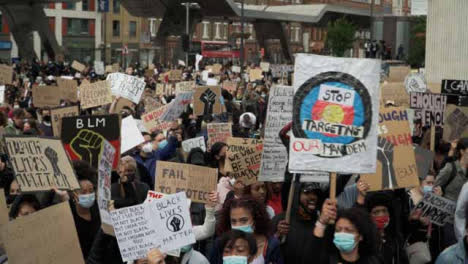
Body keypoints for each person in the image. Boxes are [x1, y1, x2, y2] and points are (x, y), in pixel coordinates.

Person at [303, 200, 382, 264]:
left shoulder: (371, 261)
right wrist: (322, 222)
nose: (342, 233)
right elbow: (311, 255)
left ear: (360, 236)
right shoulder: (327, 259)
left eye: (349, 230)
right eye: (338, 230)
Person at [212, 197, 283, 264]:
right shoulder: (220, 243)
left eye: (243, 220)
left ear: (256, 220)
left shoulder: (271, 245)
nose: (238, 225)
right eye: (233, 221)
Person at [54, 160, 101, 259]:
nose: (88, 194)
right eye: (83, 192)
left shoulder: (99, 209)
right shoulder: (67, 212)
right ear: (74, 194)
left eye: (91, 191)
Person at [273, 183, 324, 264]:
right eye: (307, 193)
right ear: (297, 195)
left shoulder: (321, 223)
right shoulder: (282, 220)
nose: (313, 197)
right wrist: (277, 235)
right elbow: (267, 250)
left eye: (315, 193)